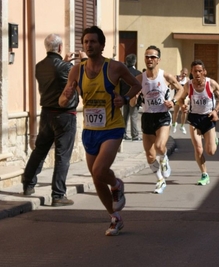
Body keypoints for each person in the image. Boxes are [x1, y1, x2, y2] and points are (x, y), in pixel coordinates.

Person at [59, 26, 142, 236]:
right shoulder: (76, 70)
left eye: (93, 41)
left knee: (99, 170)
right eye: (86, 42)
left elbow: (136, 85)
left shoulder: (115, 67)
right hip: (90, 130)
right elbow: (62, 101)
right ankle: (114, 217)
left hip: (112, 128)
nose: (89, 45)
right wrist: (67, 95)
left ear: (102, 45)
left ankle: (116, 184)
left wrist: (123, 99)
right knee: (96, 179)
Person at [22, 34, 86, 207]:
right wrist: (82, 61)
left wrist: (65, 62)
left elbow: (55, 76)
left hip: (46, 113)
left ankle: (28, 183)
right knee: (62, 155)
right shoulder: (66, 67)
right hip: (65, 114)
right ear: (59, 48)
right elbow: (79, 81)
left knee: (40, 150)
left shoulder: (39, 66)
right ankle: (58, 194)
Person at [134, 45, 184, 194]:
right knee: (149, 156)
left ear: (158, 60)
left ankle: (164, 160)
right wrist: (133, 98)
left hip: (162, 115)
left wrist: (173, 101)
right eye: (147, 56)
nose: (149, 59)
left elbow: (181, 89)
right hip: (147, 116)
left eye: (153, 57)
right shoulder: (139, 79)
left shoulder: (165, 76)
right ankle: (160, 180)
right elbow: (131, 100)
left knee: (160, 146)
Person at [179, 60, 219, 185]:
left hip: (208, 117)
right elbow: (181, 98)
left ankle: (214, 138)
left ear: (204, 72)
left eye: (200, 71)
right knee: (198, 149)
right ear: (191, 72)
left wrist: (216, 110)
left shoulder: (210, 83)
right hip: (194, 118)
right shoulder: (188, 85)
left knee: (210, 152)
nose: (198, 74)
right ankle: (204, 174)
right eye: (195, 71)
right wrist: (183, 105)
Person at [120, 53, 142, 141]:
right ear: (135, 62)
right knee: (133, 116)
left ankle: (123, 134)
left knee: (124, 116)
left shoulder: (123, 73)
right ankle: (135, 135)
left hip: (124, 97)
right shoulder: (138, 73)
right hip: (134, 97)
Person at [171, 68, 189, 134]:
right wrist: (177, 82)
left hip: (184, 98)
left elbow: (189, 88)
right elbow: (171, 87)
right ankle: (174, 124)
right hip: (177, 97)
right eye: (183, 73)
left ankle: (182, 126)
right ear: (181, 72)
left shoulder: (187, 80)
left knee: (184, 111)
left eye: (185, 74)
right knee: (176, 112)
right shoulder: (176, 77)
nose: (184, 75)